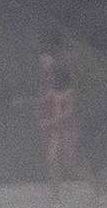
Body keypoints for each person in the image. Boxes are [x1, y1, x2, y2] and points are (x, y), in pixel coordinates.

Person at [36, 50, 85, 194]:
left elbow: (69, 113)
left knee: (70, 164)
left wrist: (49, 121)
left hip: (69, 130)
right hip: (57, 130)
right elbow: (43, 100)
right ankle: (55, 193)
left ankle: (94, 184)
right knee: (51, 160)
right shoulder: (54, 92)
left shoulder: (69, 93)